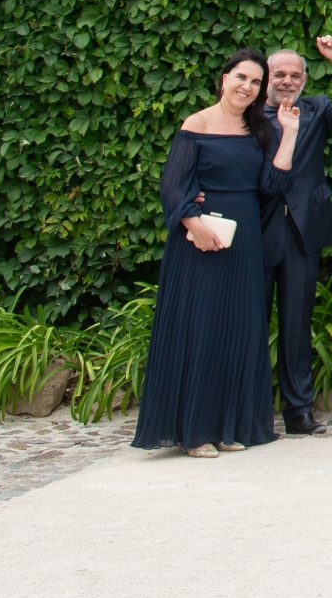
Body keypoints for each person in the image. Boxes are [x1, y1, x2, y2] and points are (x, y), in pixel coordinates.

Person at [132, 49, 297, 456]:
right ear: (224, 78)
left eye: (256, 82)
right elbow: (173, 185)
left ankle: (228, 425)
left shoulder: (260, 129)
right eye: (241, 77)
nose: (247, 86)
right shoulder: (197, 123)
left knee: (238, 330)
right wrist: (194, 224)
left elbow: (271, 186)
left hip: (243, 238)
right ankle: (196, 432)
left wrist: (289, 134)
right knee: (202, 330)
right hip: (199, 238)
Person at [257, 36, 332, 435]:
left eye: (295, 75)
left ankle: (298, 410)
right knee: (251, 322)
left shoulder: (316, 109)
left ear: (305, 79)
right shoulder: (246, 114)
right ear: (266, 77)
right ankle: (251, 409)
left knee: (296, 325)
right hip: (256, 230)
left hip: (302, 232)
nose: (287, 81)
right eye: (279, 74)